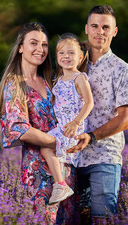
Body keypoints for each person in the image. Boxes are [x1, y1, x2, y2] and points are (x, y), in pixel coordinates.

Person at [0, 22, 78, 225]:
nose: (40, 49)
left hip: (65, 168)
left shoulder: (50, 80)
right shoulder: (15, 84)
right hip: (39, 171)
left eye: (44, 45)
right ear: (21, 47)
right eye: (33, 43)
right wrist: (58, 144)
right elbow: (18, 129)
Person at [67, 5, 128, 223]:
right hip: (71, 157)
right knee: (71, 219)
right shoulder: (72, 64)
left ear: (114, 31)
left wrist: (92, 137)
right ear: (86, 29)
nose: (100, 31)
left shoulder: (123, 70)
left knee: (102, 219)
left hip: (104, 157)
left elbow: (126, 118)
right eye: (95, 26)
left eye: (106, 27)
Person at [40, 33, 94, 205]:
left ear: (80, 57)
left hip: (73, 128)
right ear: (57, 57)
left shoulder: (79, 78)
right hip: (61, 126)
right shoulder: (60, 79)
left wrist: (76, 121)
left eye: (71, 53)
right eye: (61, 53)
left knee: (47, 148)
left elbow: (89, 102)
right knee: (45, 147)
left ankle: (60, 184)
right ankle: (58, 177)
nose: (66, 57)